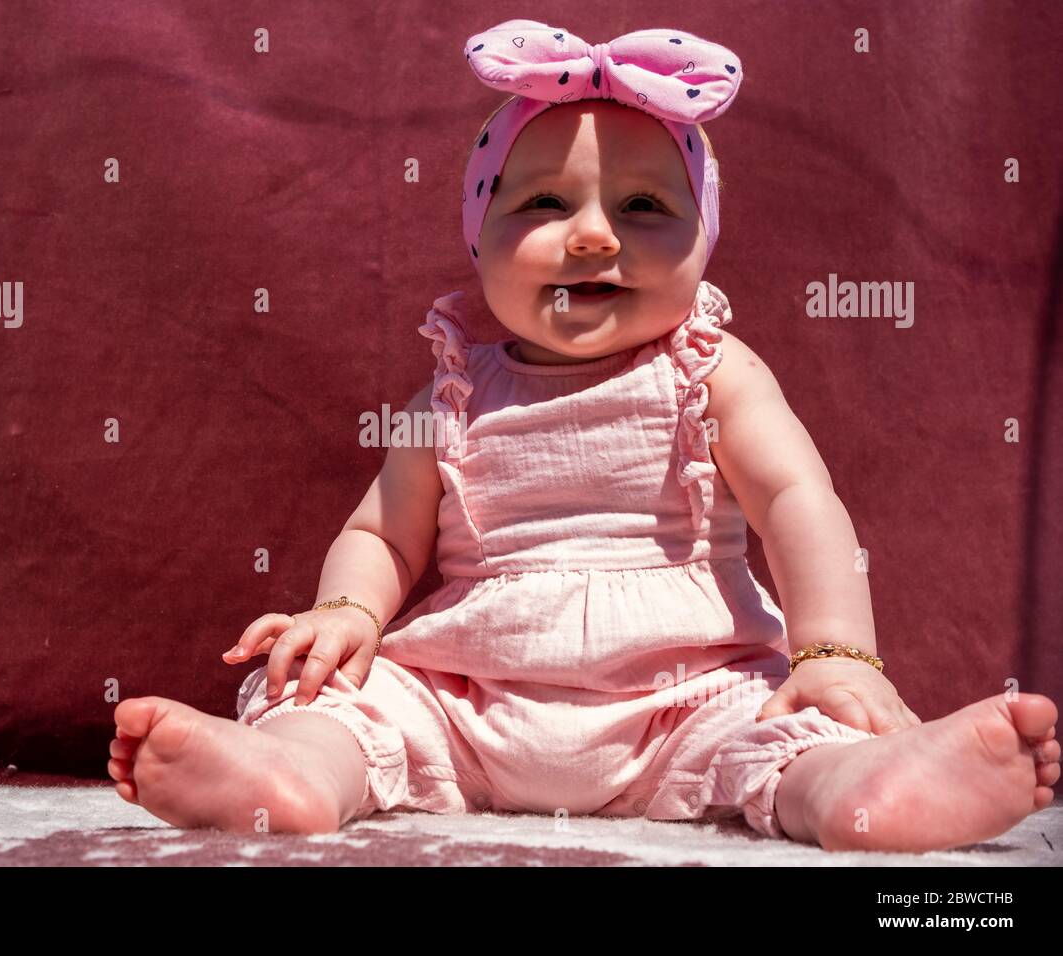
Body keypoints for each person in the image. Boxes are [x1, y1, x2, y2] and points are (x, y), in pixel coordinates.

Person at [107, 20, 1059, 849]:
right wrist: (349, 615)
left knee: (785, 732)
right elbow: (383, 534)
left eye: (645, 207)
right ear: (478, 240)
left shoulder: (712, 372)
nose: (594, 236)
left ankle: (862, 794)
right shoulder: (449, 391)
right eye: (544, 204)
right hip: (472, 695)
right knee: (348, 710)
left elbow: (799, 502)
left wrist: (833, 654)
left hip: (686, 695)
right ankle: (292, 780)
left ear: (702, 240)